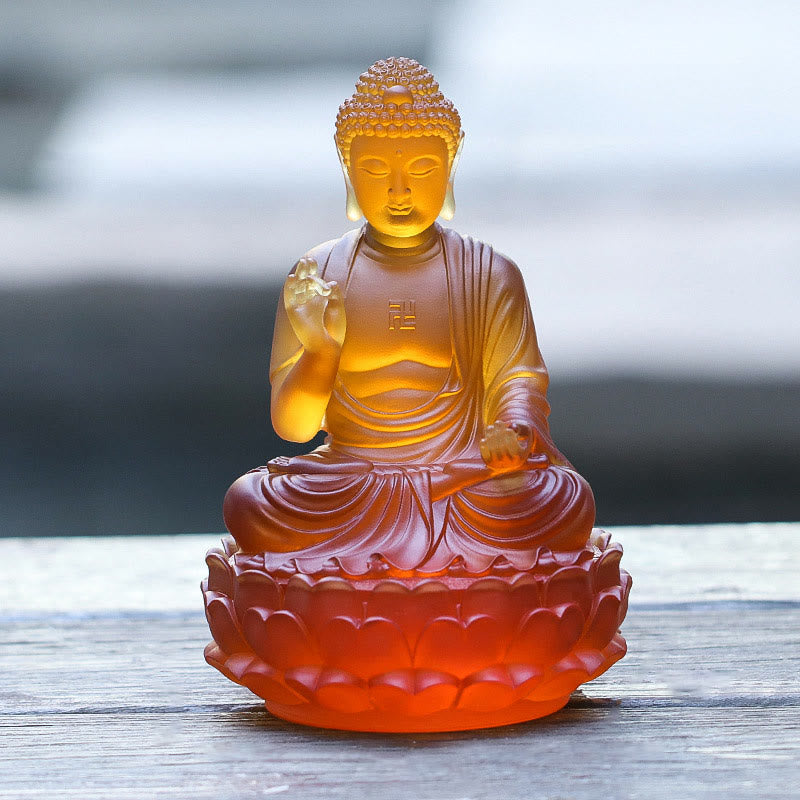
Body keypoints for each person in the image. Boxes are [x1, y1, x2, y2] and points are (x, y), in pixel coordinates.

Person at [223, 58, 595, 574]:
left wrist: (512, 434)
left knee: (564, 498)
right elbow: (294, 426)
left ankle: (362, 571)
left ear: (451, 163)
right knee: (252, 502)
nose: (399, 191)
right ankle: (450, 569)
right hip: (354, 481)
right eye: (376, 171)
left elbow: (518, 380)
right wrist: (322, 350)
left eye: (421, 169)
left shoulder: (488, 273)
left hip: (465, 481)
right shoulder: (317, 276)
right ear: (347, 169)